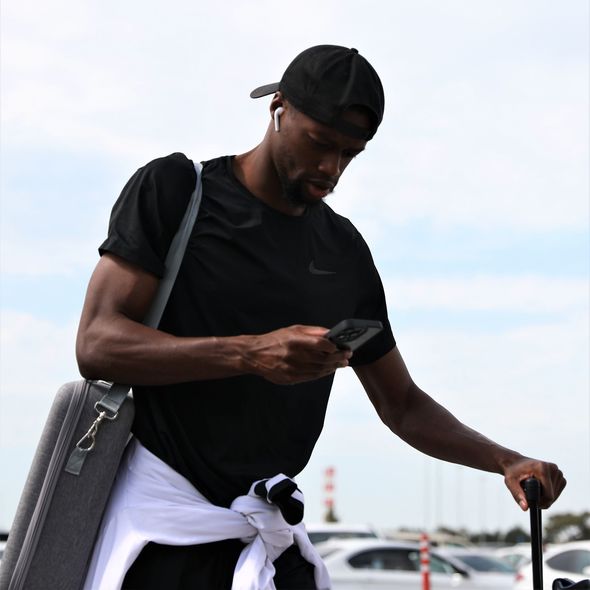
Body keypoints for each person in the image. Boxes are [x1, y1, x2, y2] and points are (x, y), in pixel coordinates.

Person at [76, 45, 566, 589]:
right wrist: (249, 353)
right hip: (162, 535)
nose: (331, 168)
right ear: (278, 108)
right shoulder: (177, 190)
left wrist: (504, 460)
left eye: (350, 153)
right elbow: (97, 343)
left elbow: (402, 404)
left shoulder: (344, 251)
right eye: (319, 143)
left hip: (268, 535)